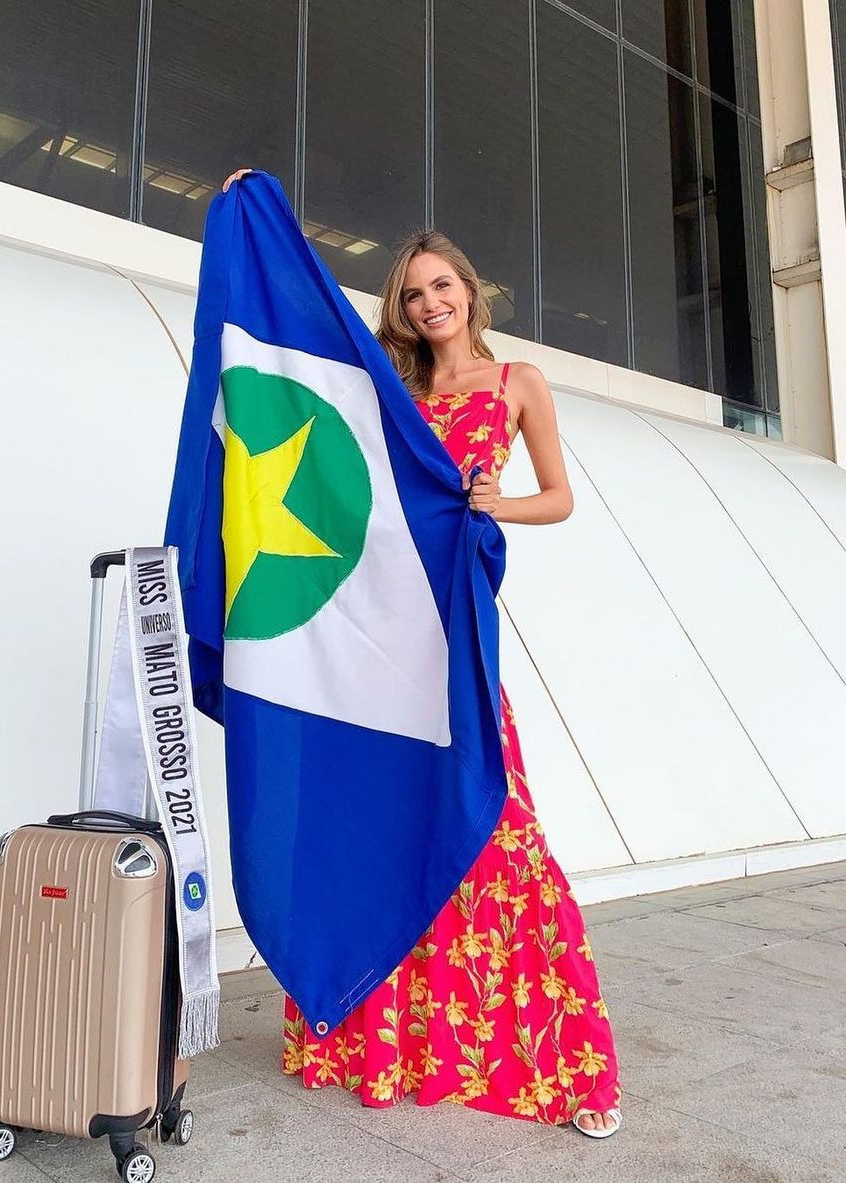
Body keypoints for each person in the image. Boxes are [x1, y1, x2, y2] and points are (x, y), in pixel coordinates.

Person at [221, 169, 622, 1139]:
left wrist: (497, 503)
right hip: (380, 634)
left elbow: (561, 495)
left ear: (470, 291)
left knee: (498, 824)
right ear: (401, 310)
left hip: (457, 633)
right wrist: (258, 217)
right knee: (383, 816)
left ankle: (563, 1068)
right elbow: (314, 338)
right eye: (413, 292)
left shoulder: (518, 382)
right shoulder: (390, 393)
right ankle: (381, 1042)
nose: (430, 301)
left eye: (443, 285)